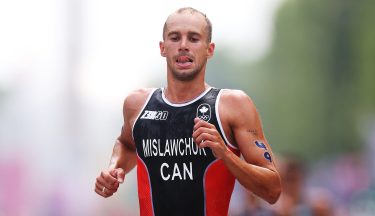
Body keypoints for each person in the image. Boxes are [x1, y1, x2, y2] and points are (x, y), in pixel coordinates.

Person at [95, 7, 281, 216]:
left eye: (193, 38)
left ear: (209, 49)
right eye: (175, 38)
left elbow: (272, 190)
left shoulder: (232, 105)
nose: (183, 46)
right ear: (163, 47)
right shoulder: (137, 105)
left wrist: (225, 154)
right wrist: (113, 169)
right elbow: (127, 144)